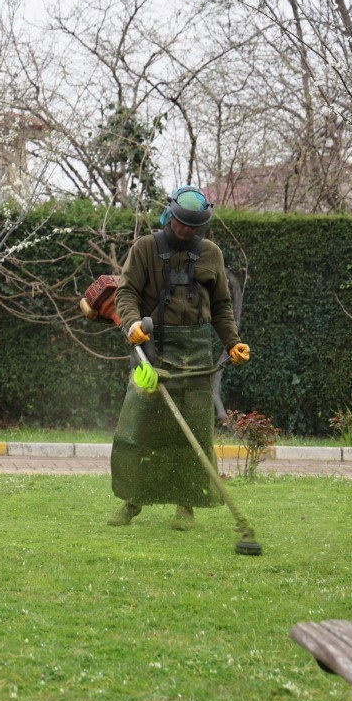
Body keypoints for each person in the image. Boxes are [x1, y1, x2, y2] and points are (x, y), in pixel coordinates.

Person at [107, 186, 251, 529]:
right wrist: (131, 327)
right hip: (153, 351)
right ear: (170, 215)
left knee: (195, 433)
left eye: (194, 226)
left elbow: (220, 306)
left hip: (197, 355)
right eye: (182, 223)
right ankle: (132, 502)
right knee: (139, 430)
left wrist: (232, 342)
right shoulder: (145, 249)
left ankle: (186, 506)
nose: (186, 231)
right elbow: (125, 293)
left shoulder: (211, 254)